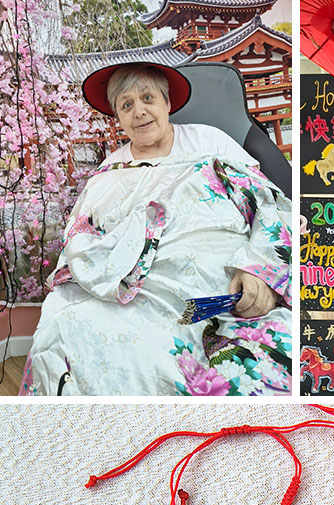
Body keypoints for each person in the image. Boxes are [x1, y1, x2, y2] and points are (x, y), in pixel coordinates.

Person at [20, 62, 291, 396]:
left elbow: (268, 202)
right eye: (126, 104)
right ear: (118, 117)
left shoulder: (209, 141)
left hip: (214, 274)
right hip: (130, 282)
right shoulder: (109, 171)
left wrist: (259, 270)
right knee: (62, 324)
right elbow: (81, 238)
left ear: (167, 103)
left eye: (147, 98)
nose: (139, 111)